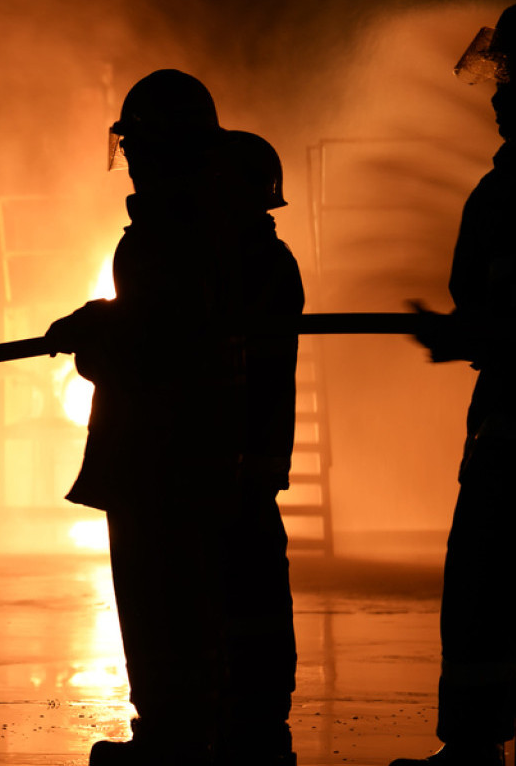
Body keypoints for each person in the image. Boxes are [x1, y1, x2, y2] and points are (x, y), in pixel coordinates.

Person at [46, 69, 240, 766]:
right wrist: (100, 318)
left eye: (137, 145)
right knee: (177, 601)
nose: (130, 157)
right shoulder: (198, 225)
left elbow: (162, 347)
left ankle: (171, 737)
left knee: (163, 602)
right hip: (173, 455)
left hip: (159, 458)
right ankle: (177, 729)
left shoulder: (171, 233)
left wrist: (94, 345)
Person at [392, 0, 516, 765]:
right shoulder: (501, 191)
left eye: (515, 76)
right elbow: (477, 294)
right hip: (502, 432)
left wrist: (483, 335)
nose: (497, 93)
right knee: (478, 602)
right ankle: (471, 749)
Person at [211, 130, 303, 766]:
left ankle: (254, 713)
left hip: (231, 459)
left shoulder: (246, 265)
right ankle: (253, 711)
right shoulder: (259, 260)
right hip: (242, 459)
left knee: (244, 586)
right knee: (250, 583)